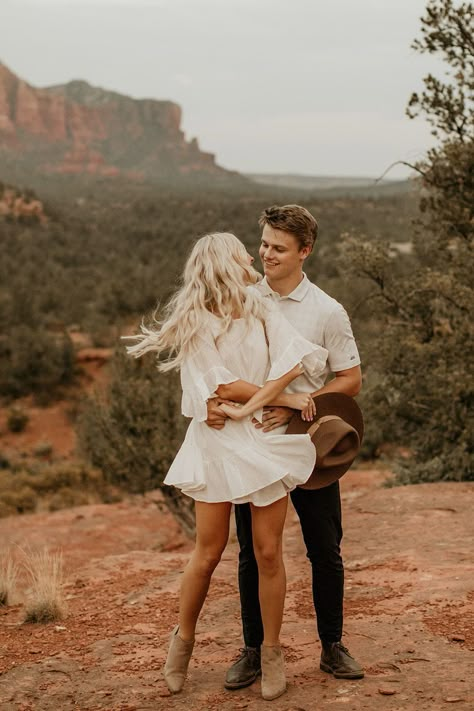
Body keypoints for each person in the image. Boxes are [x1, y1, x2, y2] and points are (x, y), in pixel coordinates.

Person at [125, 232, 329, 701]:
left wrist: (279, 393)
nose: (252, 260)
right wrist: (271, 396)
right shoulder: (197, 320)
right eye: (242, 255)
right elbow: (219, 384)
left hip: (265, 439)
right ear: (222, 265)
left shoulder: (261, 308)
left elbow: (293, 359)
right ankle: (182, 643)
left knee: (269, 552)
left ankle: (272, 653)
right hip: (217, 443)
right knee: (209, 551)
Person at [205, 205, 364, 689]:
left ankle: (332, 645)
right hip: (252, 444)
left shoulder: (327, 310)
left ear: (305, 251)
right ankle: (253, 651)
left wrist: (301, 404)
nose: (266, 254)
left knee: (324, 547)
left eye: (278, 247)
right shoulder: (241, 300)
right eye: (265, 244)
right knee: (255, 554)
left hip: (309, 447)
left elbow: (351, 377)